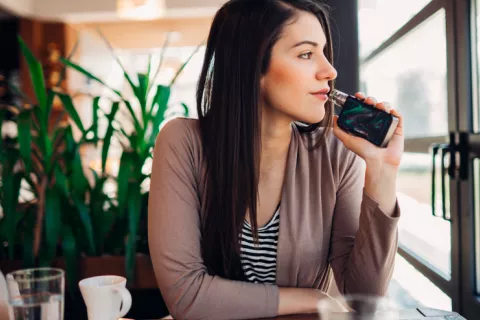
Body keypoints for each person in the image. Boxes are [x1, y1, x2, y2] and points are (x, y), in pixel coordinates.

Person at [148, 0, 404, 319]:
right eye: (306, 54)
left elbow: (365, 296)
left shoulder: (337, 153)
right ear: (251, 66)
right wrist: (312, 298)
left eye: (324, 52)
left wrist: (382, 171)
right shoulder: (182, 142)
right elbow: (186, 296)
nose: (330, 71)